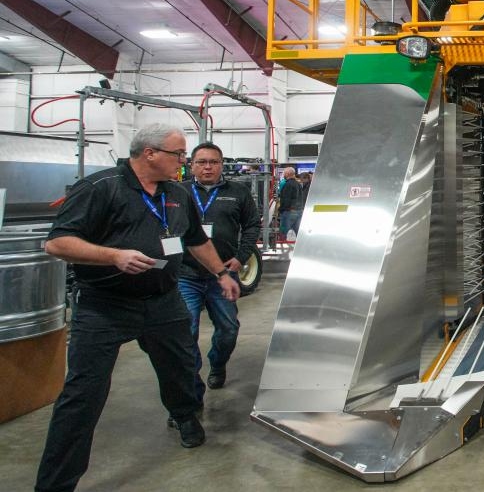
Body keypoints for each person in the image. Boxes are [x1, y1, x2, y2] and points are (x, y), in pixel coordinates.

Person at [35, 124, 239, 492]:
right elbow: (57, 243)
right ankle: (55, 484)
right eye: (179, 155)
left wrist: (222, 272)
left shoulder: (177, 192)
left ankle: (184, 417)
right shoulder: (101, 188)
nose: (184, 161)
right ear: (149, 153)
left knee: (180, 369)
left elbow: (194, 240)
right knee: (83, 395)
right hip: (104, 307)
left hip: (163, 302)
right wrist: (113, 255)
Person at [179, 142, 260, 400]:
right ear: (191, 165)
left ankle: (218, 363)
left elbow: (251, 225)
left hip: (223, 274)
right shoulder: (177, 193)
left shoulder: (237, 192)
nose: (208, 167)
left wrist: (241, 257)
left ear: (221, 165)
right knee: (185, 331)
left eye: (213, 162)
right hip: (185, 274)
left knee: (228, 329)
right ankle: (191, 388)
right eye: (201, 162)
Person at [278, 166, 302, 239]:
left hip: (289, 211)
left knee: (283, 233)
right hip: (299, 211)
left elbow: (286, 200)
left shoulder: (287, 185)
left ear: (287, 174)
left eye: (284, 173)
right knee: (299, 233)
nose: (283, 175)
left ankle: (282, 248)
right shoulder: (298, 184)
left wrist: (280, 210)